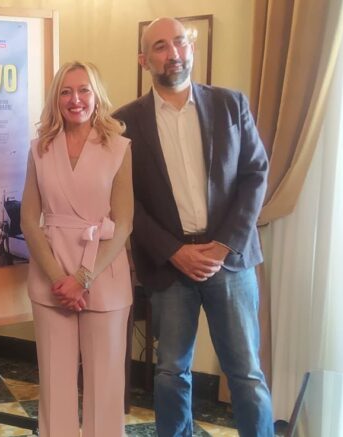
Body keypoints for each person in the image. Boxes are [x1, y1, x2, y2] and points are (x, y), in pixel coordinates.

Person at [113, 17, 273, 437]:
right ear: (144, 60)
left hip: (229, 262)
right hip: (170, 267)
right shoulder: (123, 123)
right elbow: (126, 202)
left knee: (246, 373)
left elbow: (255, 174)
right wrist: (173, 251)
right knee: (170, 372)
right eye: (161, 46)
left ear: (192, 48)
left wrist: (223, 245)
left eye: (180, 42)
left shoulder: (230, 104)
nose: (174, 53)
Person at [21, 61, 133, 436]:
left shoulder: (118, 147)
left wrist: (83, 278)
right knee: (55, 386)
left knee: (105, 386)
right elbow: (28, 219)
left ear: (96, 95)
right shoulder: (40, 149)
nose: (76, 99)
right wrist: (60, 280)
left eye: (84, 90)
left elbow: (124, 222)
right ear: (56, 99)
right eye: (66, 92)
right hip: (50, 273)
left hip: (103, 270)